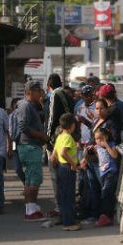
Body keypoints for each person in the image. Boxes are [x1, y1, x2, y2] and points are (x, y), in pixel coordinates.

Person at [15, 81, 52, 221]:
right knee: (33, 180)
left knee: (31, 179)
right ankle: (30, 210)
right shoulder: (25, 105)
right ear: (31, 92)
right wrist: (42, 136)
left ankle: (31, 207)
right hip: (30, 146)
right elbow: (23, 126)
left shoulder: (29, 105)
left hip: (30, 146)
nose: (41, 93)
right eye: (38, 91)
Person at [44, 74, 75, 218]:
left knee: (55, 175)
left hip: (56, 141)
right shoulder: (67, 95)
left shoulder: (54, 95)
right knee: (66, 177)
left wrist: (47, 139)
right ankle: (66, 207)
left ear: (48, 84)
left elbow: (51, 118)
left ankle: (59, 207)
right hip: (68, 137)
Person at [51, 113, 81, 231]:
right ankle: (69, 223)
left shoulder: (59, 137)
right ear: (72, 125)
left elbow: (53, 156)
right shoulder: (69, 137)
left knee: (62, 195)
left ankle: (64, 218)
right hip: (68, 168)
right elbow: (63, 153)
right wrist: (74, 165)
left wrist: (56, 165)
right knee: (69, 196)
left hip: (60, 168)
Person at [89, 127, 119, 227]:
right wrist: (90, 151)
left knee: (106, 193)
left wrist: (106, 145)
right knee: (106, 194)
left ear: (106, 137)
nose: (99, 141)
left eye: (101, 138)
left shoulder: (111, 144)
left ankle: (105, 216)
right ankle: (109, 217)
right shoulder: (97, 147)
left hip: (111, 173)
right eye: (97, 139)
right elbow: (98, 159)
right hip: (103, 173)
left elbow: (114, 155)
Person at [7, 98, 26, 185]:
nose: (17, 106)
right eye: (16, 104)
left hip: (27, 145)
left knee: (29, 168)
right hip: (16, 145)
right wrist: (9, 148)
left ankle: (29, 187)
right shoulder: (11, 116)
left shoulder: (27, 114)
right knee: (17, 168)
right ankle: (26, 183)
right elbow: (10, 134)